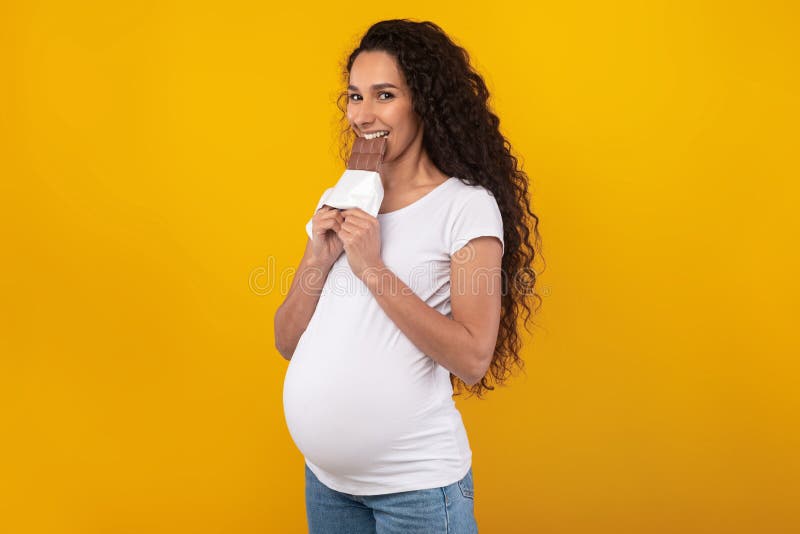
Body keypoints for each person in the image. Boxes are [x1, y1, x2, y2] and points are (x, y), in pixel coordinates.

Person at [274, 19, 543, 534]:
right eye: (355, 96)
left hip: (415, 492)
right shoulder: (342, 200)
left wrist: (371, 267)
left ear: (422, 101)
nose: (363, 114)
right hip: (328, 484)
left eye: (384, 95)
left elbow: (472, 357)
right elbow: (287, 341)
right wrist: (316, 257)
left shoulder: (465, 208)